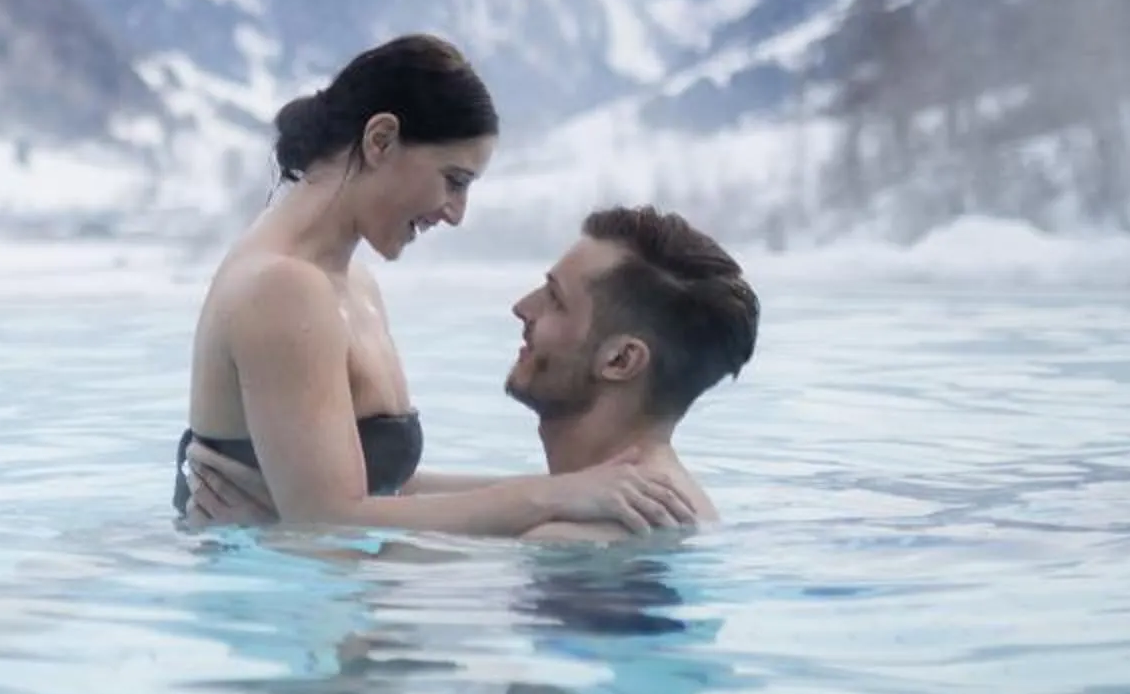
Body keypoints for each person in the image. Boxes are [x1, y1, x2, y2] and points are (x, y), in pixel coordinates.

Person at [177, 35, 702, 536]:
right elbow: (326, 529)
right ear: (380, 140)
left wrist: (577, 489)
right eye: (454, 180)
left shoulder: (348, 282)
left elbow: (382, 494)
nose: (456, 214)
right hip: (288, 614)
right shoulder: (284, 288)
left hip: (332, 608)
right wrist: (554, 498)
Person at [187, 204, 758, 540]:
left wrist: (275, 538)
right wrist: (304, 501)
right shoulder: (618, 494)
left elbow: (430, 635)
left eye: (555, 300)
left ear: (620, 361)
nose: (523, 306)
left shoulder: (583, 538)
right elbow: (408, 509)